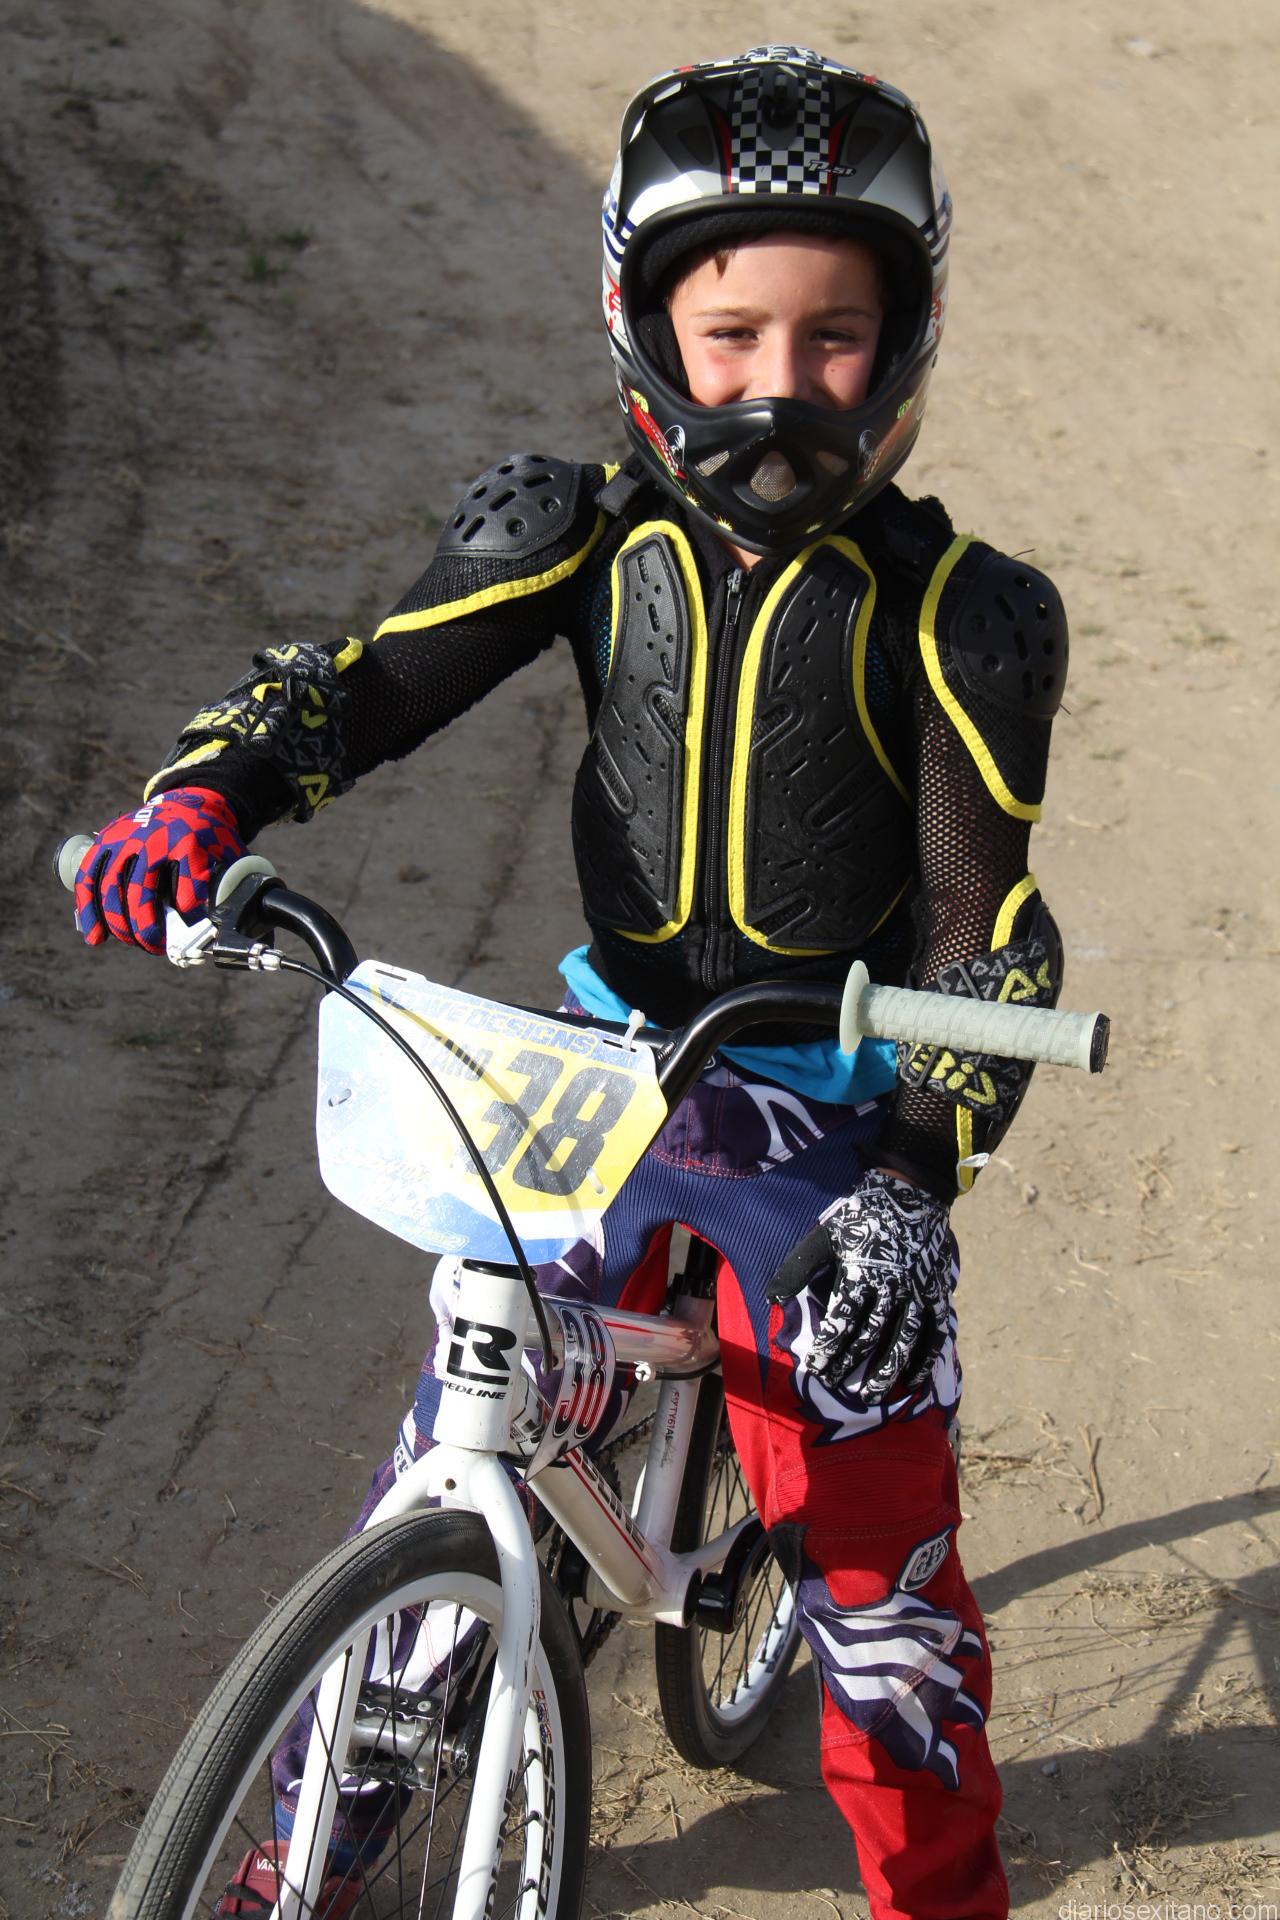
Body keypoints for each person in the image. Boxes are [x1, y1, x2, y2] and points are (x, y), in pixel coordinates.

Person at [71, 44, 1068, 1920]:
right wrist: (208, 796)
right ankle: (315, 1840)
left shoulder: (958, 609)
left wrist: (916, 1174)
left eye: (837, 335)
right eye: (731, 332)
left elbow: (982, 926)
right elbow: (370, 685)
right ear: (643, 323)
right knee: (453, 1435)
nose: (778, 385)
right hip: (600, 1064)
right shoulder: (584, 535)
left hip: (830, 1112)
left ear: (909, 336)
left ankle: (939, 1892)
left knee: (881, 1598)